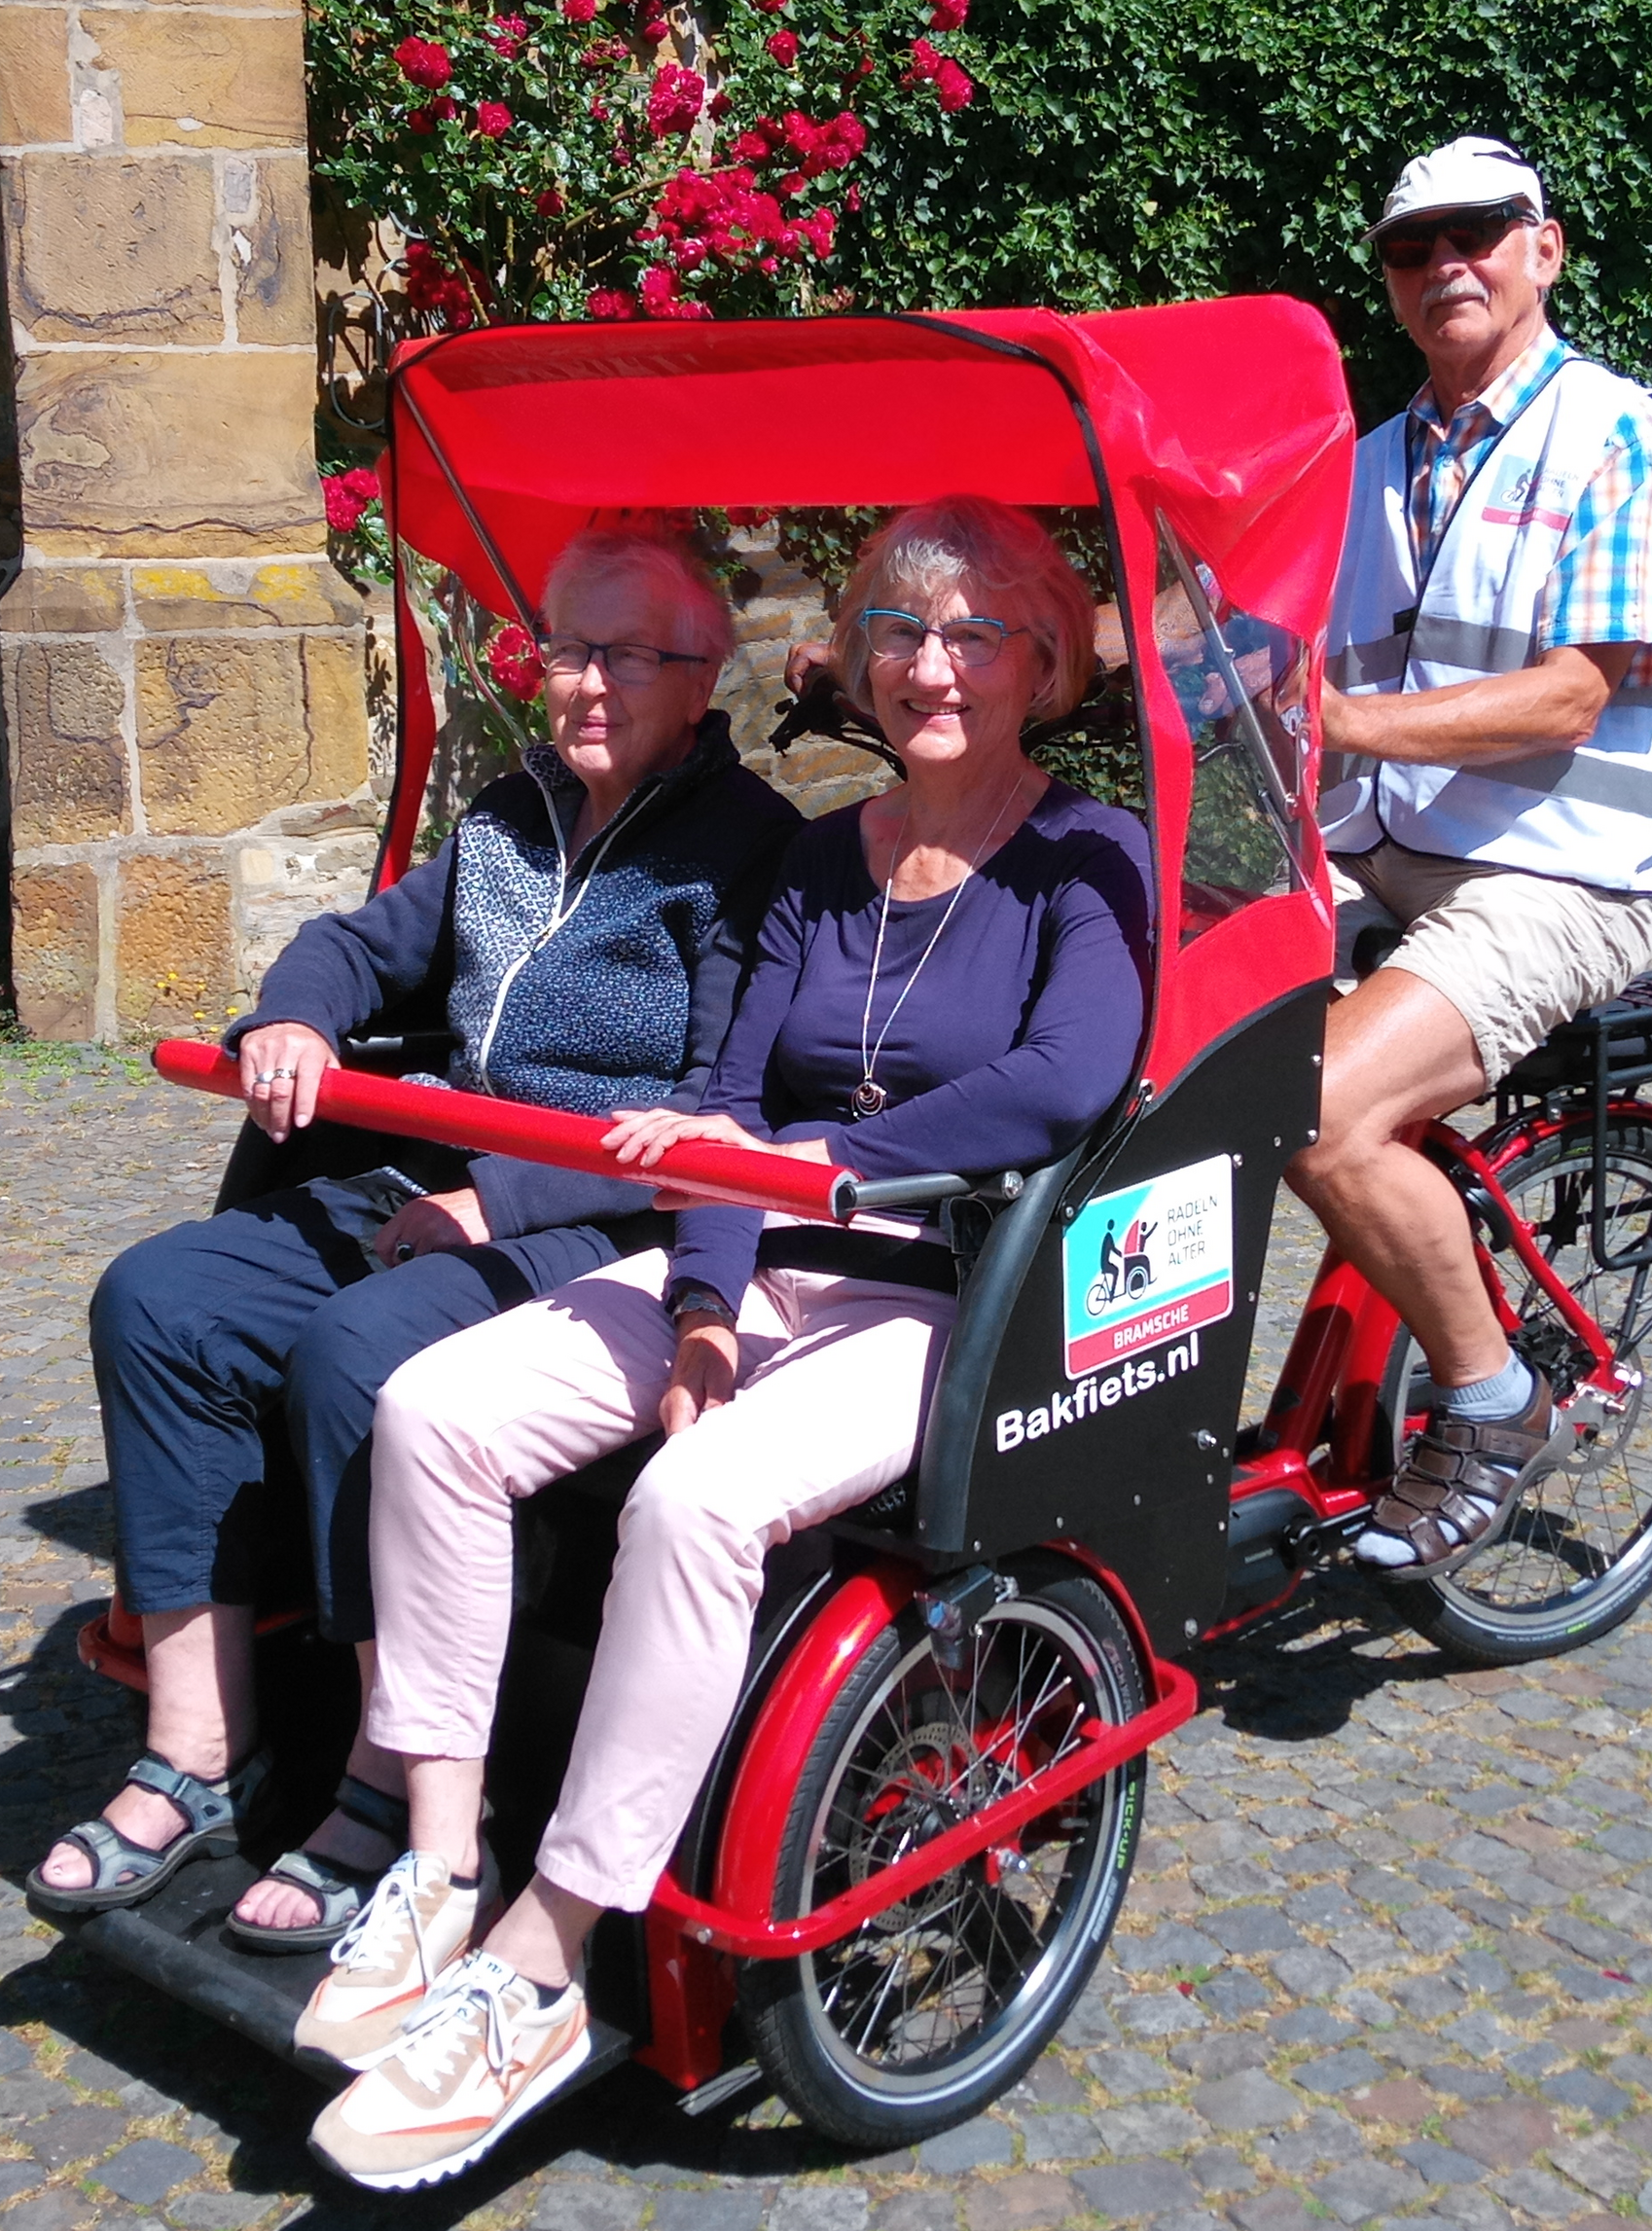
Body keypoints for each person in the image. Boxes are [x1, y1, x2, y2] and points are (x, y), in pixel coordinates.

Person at [297, 495, 1151, 2190]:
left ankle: (545, 1959)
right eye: (899, 629)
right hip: (758, 1254)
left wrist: (831, 1162)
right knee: (435, 1409)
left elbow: (1064, 1081)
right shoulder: (828, 856)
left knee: (693, 1502)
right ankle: (444, 1864)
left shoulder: (1087, 853)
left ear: (1044, 664)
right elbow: (723, 1097)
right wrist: (700, 1301)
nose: (929, 666)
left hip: (942, 1290)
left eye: (976, 633)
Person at [27, 529, 800, 1945]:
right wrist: (294, 1016)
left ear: (702, 682)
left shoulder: (750, 853)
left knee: (357, 1350)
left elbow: (712, 1106)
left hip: (604, 1216)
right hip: (424, 1170)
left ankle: (390, 1782)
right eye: (569, 650)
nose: (587, 683)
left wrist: (499, 1202)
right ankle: (199, 1751)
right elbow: (359, 943)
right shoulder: (509, 815)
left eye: (628, 657)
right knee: (159, 1300)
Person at [1309, 136, 1652, 1579]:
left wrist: (1345, 719)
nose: (1443, 265)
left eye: (1475, 232)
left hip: (1556, 874)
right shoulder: (1362, 464)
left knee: (1318, 1113)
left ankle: (1494, 1401)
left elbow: (1574, 694)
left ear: (1543, 249)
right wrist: (1006, 649)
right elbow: (1215, 624)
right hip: (1371, 853)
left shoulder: (1616, 433)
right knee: (1135, 1024)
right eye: (1409, 248)